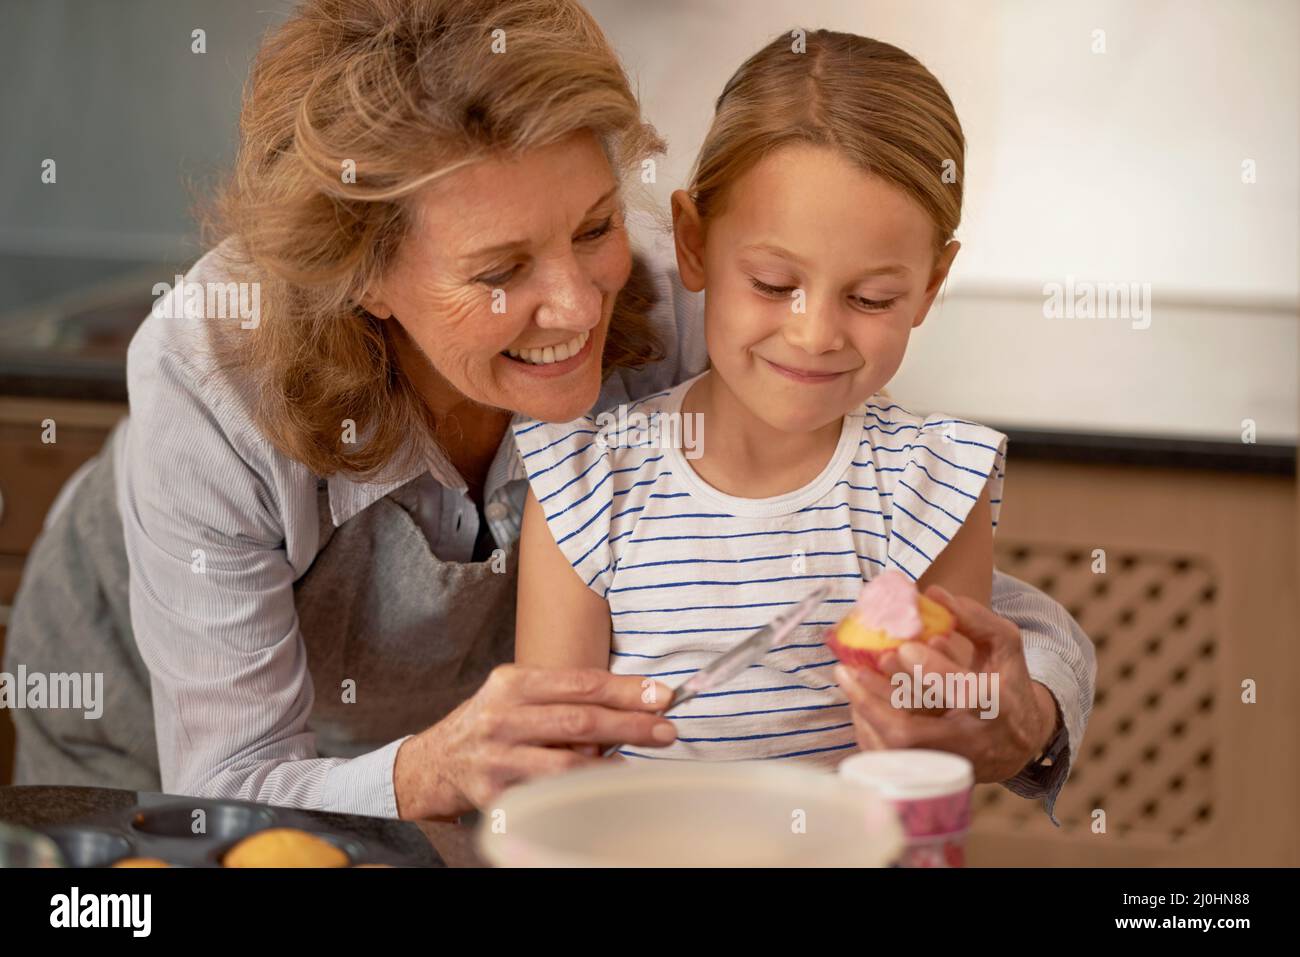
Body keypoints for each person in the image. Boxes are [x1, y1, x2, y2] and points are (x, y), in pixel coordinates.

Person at [3, 0, 1093, 823]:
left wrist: (1021, 715)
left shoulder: (687, 304)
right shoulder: (213, 376)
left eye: (588, 226)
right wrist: (428, 766)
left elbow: (915, 570)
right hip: (146, 756)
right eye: (500, 268)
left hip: (480, 780)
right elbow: (227, 779)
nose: (577, 305)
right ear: (362, 276)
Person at [514, 30, 1078, 820]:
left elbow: (934, 770)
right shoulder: (587, 485)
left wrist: (942, 709)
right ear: (694, 242)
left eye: (873, 298)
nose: (815, 334)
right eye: (775, 283)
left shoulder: (934, 486)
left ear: (931, 284)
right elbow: (555, 783)